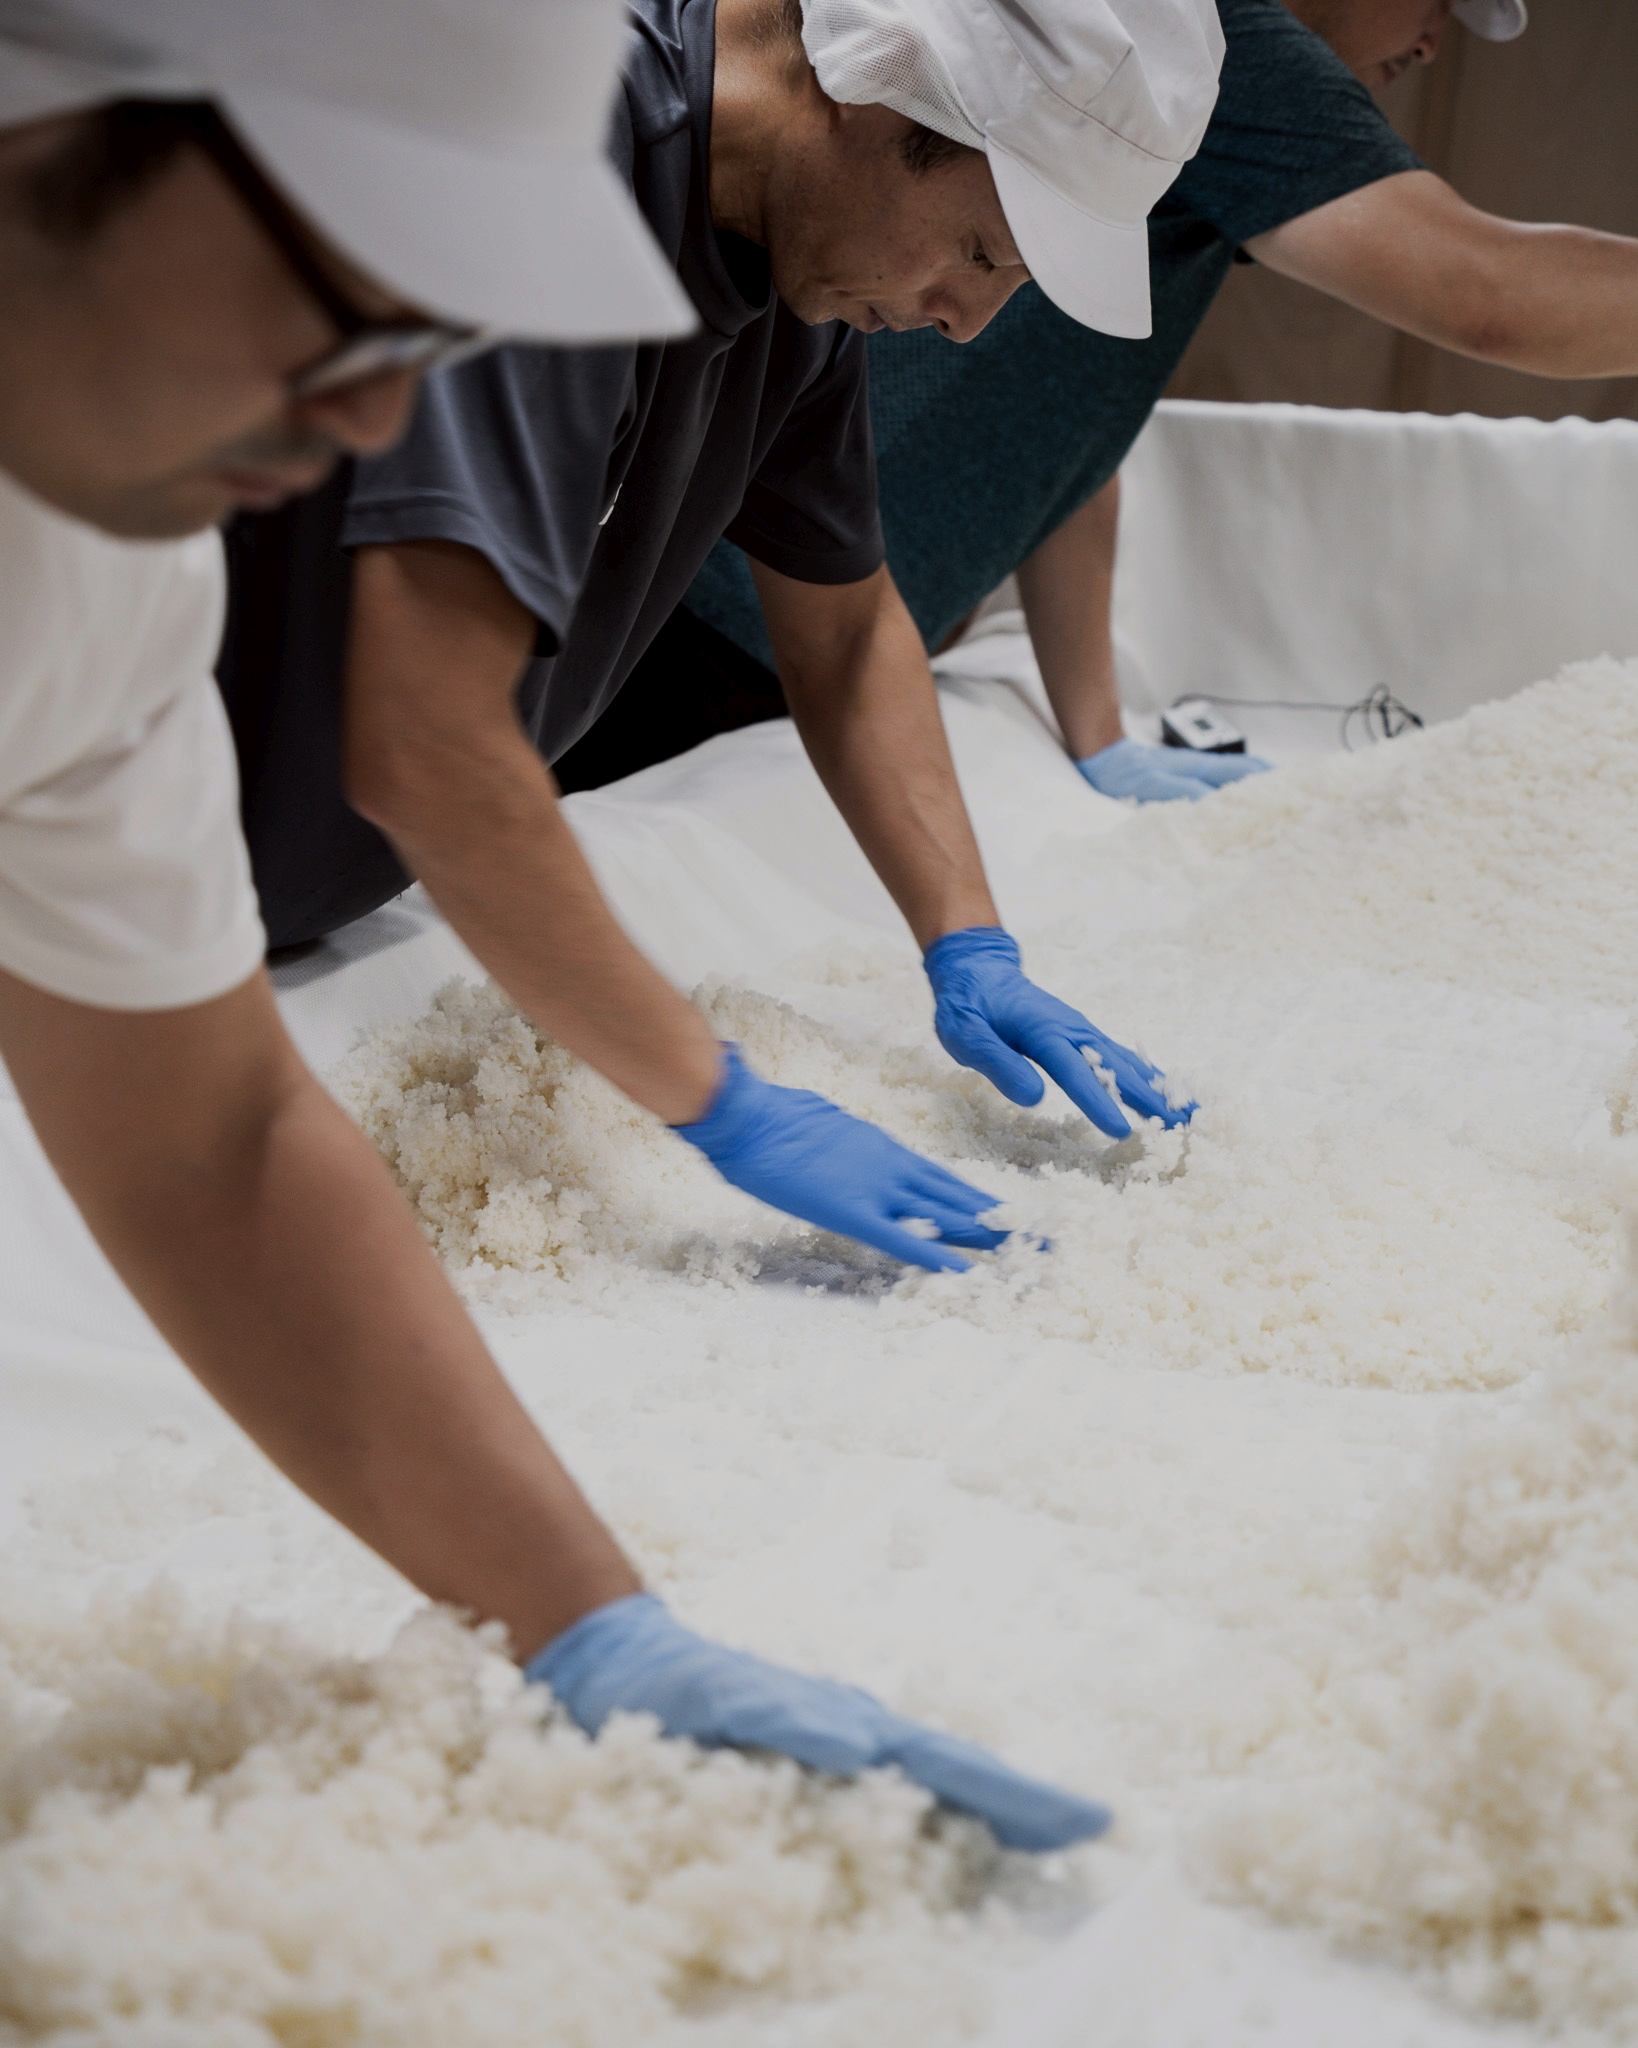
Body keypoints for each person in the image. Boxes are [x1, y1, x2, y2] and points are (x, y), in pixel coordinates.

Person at [0, 0, 1111, 1853]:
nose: (373, 419)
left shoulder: (108, 580)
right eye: (344, 286)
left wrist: (590, 1626)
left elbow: (215, 1136)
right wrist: (713, 1099)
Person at [217, 0, 1218, 1282]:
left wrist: (970, 941)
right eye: (980, 251)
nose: (964, 321)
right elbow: (429, 748)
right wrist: (722, 1105)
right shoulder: (550, 147)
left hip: (240, 919)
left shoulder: (791, 267)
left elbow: (848, 632)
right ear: (883, 89)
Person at [673, 0, 1638, 804]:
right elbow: (1490, 298)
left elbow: (1070, 416)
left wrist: (1099, 732)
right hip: (726, 609)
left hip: (806, 627)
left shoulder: (1159, 110)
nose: (1434, 40)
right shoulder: (1211, 49)